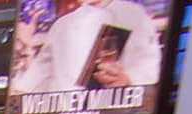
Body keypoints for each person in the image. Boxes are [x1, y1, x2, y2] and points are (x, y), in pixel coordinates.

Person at [15, 0, 161, 94]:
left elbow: (150, 67)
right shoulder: (62, 25)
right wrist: (26, 46)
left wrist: (128, 79)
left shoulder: (133, 14)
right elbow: (31, 82)